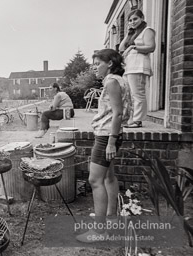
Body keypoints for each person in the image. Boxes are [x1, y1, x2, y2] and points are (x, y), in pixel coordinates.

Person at [76, 49, 131, 243]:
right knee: (108, 176)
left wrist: (111, 142)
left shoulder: (111, 82)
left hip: (106, 136)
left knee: (95, 180)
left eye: (97, 63)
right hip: (112, 134)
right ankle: (111, 217)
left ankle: (99, 232)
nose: (94, 68)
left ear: (109, 63)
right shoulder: (119, 79)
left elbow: (117, 113)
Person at [119, 9, 156, 128]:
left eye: (135, 19)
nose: (132, 22)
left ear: (142, 18)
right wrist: (129, 34)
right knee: (129, 95)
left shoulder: (147, 30)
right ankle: (131, 118)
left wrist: (133, 48)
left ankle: (137, 120)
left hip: (139, 66)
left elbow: (151, 47)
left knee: (138, 94)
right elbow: (121, 48)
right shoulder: (133, 33)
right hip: (130, 67)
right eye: (130, 20)